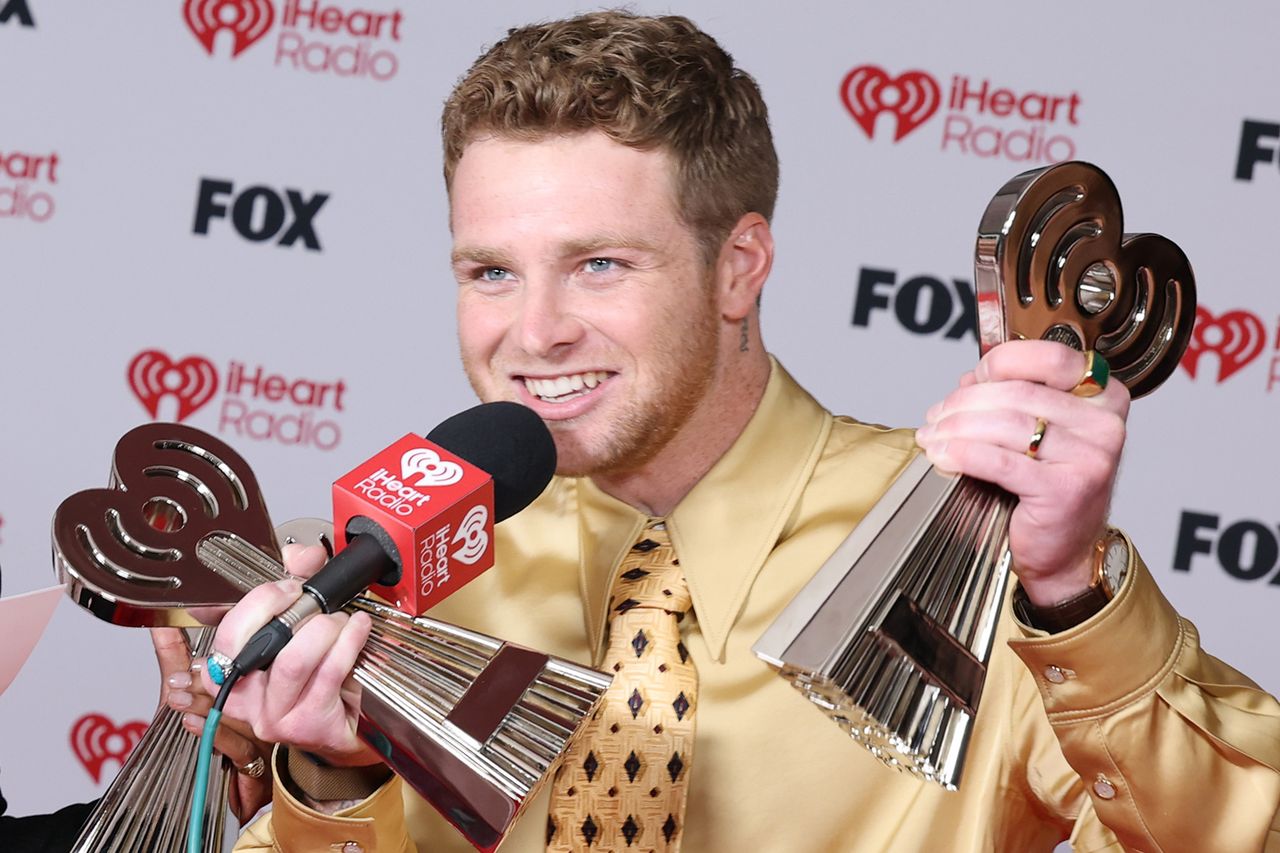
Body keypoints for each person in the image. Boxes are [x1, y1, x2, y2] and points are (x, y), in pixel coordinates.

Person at [169, 11, 1280, 851]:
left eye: (599, 264)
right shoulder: (423, 558)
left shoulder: (970, 541)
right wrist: (324, 776)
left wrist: (1074, 596)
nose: (534, 332)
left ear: (737, 267)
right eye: (490, 272)